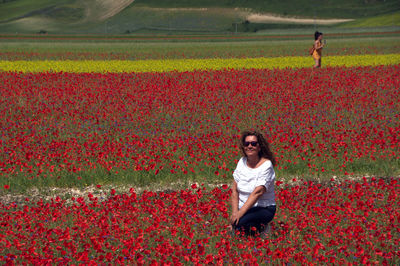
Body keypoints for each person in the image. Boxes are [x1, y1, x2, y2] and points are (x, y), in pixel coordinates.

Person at [230, 130, 277, 236]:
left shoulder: (266, 165)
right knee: (238, 226)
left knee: (238, 225)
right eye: (247, 144)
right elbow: (234, 190)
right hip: (244, 208)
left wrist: (239, 215)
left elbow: (258, 192)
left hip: (263, 207)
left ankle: (263, 228)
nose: (250, 146)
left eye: (253, 143)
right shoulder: (241, 162)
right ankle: (258, 229)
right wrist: (234, 213)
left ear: (259, 147)